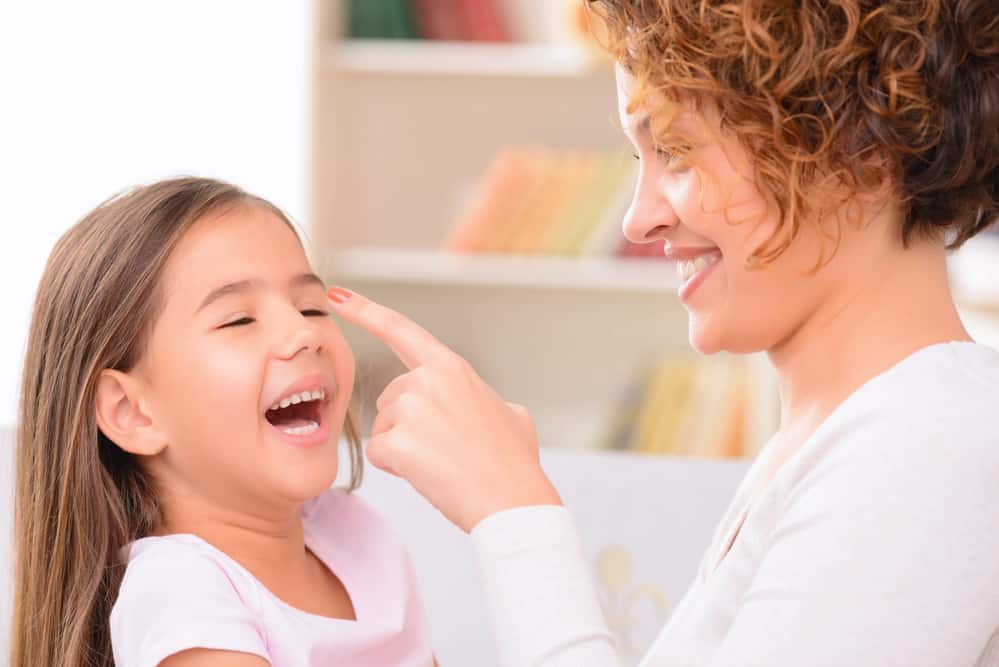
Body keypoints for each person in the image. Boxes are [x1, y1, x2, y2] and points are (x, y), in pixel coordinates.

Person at [323, 1, 999, 665]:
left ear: (859, 153)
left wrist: (513, 510)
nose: (637, 219)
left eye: (675, 152)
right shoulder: (856, 437)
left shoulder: (929, 438)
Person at [10, 178, 435, 667]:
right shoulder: (180, 594)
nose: (303, 333)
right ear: (133, 411)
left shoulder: (359, 532)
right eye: (239, 320)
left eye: (311, 307)